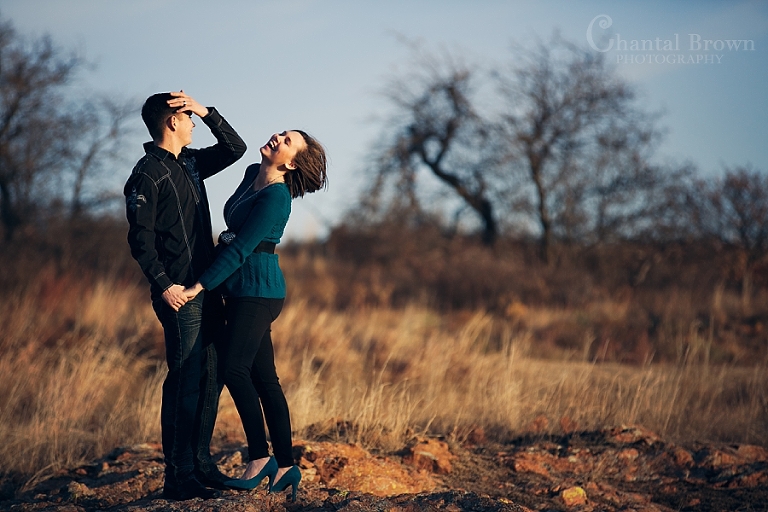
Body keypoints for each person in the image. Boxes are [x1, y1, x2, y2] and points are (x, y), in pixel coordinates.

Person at [183, 129, 327, 502]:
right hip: (243, 290)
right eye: (282, 132)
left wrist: (200, 285)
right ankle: (284, 466)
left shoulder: (278, 197)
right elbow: (233, 233)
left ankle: (259, 457)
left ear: (292, 162)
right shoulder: (251, 174)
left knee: (234, 369)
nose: (278, 137)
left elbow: (242, 246)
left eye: (288, 141)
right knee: (265, 379)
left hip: (259, 293)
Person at [124, 91, 247, 500]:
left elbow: (235, 147)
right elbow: (140, 241)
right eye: (188, 118)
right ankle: (178, 478)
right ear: (172, 121)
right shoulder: (146, 174)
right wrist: (165, 285)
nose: (193, 123)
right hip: (178, 294)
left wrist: (207, 111)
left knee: (211, 377)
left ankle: (201, 464)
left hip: (206, 287)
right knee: (185, 383)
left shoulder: (191, 164)